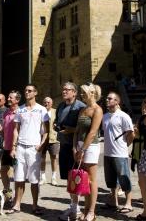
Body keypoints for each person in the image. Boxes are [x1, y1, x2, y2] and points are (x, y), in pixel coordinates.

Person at [6, 84, 49, 215]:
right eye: (26, 91)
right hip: (20, 148)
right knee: (18, 178)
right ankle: (17, 204)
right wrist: (13, 147)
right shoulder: (20, 110)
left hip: (33, 149)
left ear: (35, 93)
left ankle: (35, 205)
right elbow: (15, 129)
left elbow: (46, 131)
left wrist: (41, 145)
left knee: (34, 179)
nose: (27, 93)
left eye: (30, 91)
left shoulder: (42, 110)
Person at [71, 83, 104, 221]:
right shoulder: (83, 109)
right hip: (79, 146)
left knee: (91, 179)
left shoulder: (97, 110)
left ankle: (92, 210)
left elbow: (92, 132)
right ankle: (85, 208)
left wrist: (83, 149)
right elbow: (77, 131)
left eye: (84, 93)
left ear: (92, 94)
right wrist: (74, 147)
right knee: (83, 179)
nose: (81, 95)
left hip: (90, 147)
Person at [55, 82, 86, 218]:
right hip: (64, 145)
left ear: (74, 92)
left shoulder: (81, 107)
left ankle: (77, 208)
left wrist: (71, 130)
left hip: (76, 147)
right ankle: (73, 205)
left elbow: (84, 128)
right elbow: (57, 120)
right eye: (63, 89)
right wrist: (57, 125)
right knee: (69, 178)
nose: (64, 92)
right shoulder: (61, 106)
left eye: (67, 90)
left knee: (76, 177)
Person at [101, 91, 134, 213]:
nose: (107, 100)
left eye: (110, 98)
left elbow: (131, 134)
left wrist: (125, 146)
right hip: (107, 153)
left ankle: (128, 203)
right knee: (111, 180)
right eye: (107, 98)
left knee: (124, 179)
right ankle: (114, 202)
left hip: (120, 154)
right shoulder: (104, 116)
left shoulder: (123, 116)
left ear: (117, 101)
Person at [0, 90, 20, 201]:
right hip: (6, 147)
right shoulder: (6, 112)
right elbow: (4, 128)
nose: (8, 99)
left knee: (17, 174)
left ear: (17, 100)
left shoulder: (21, 112)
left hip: (17, 148)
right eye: (8, 97)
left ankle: (17, 198)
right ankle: (8, 193)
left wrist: (15, 146)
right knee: (3, 170)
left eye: (11, 98)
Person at [40, 97, 59, 186]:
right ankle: (43, 177)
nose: (46, 104)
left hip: (53, 138)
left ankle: (54, 177)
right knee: (42, 158)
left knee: (53, 158)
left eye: (48, 102)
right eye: (45, 102)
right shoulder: (40, 111)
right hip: (42, 138)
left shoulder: (55, 112)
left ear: (51, 103)